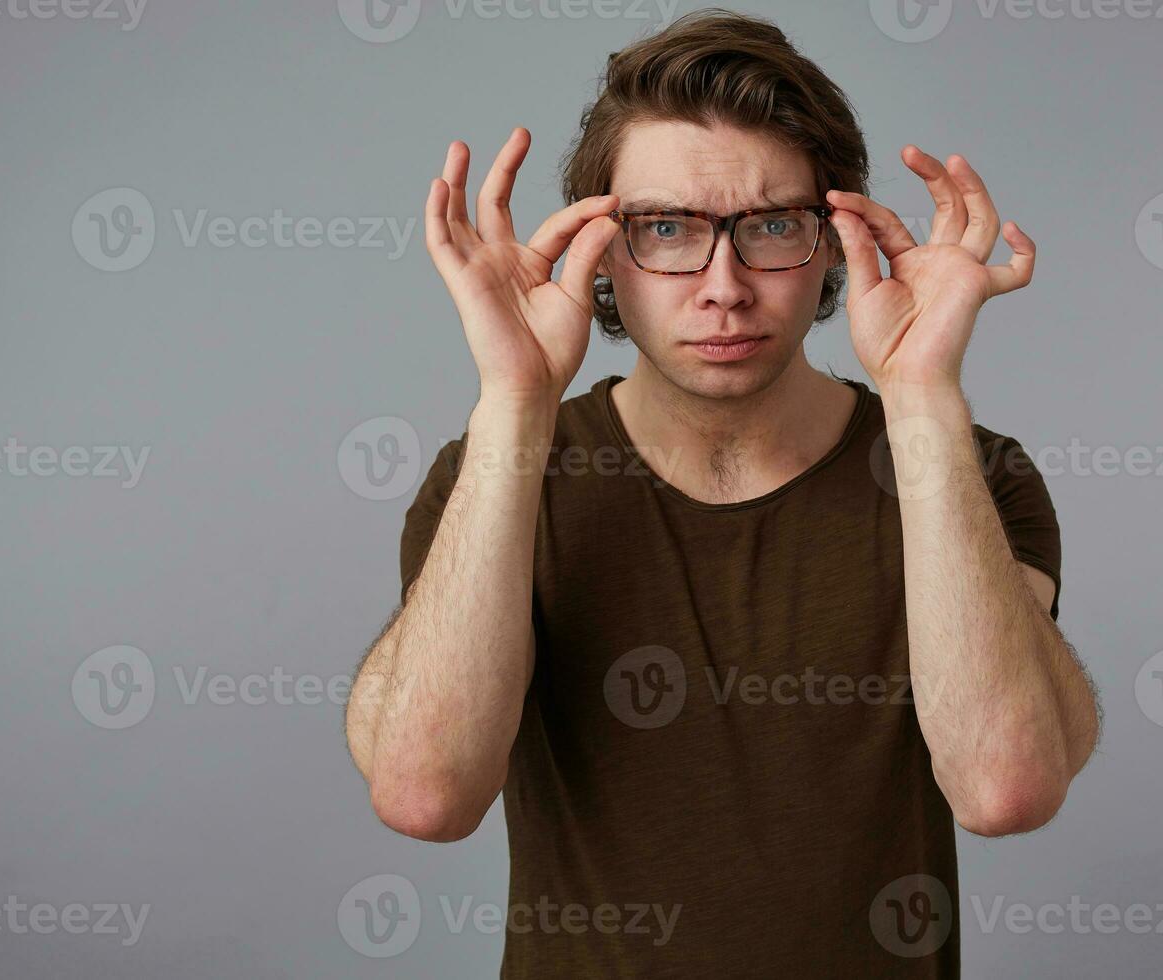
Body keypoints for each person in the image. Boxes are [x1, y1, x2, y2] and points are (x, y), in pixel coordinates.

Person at [344, 9, 1099, 976]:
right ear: (602, 252)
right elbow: (425, 796)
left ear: (837, 239)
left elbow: (1007, 790)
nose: (724, 285)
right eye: (667, 229)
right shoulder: (496, 469)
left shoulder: (970, 466)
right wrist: (514, 404)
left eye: (772, 225)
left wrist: (922, 396)